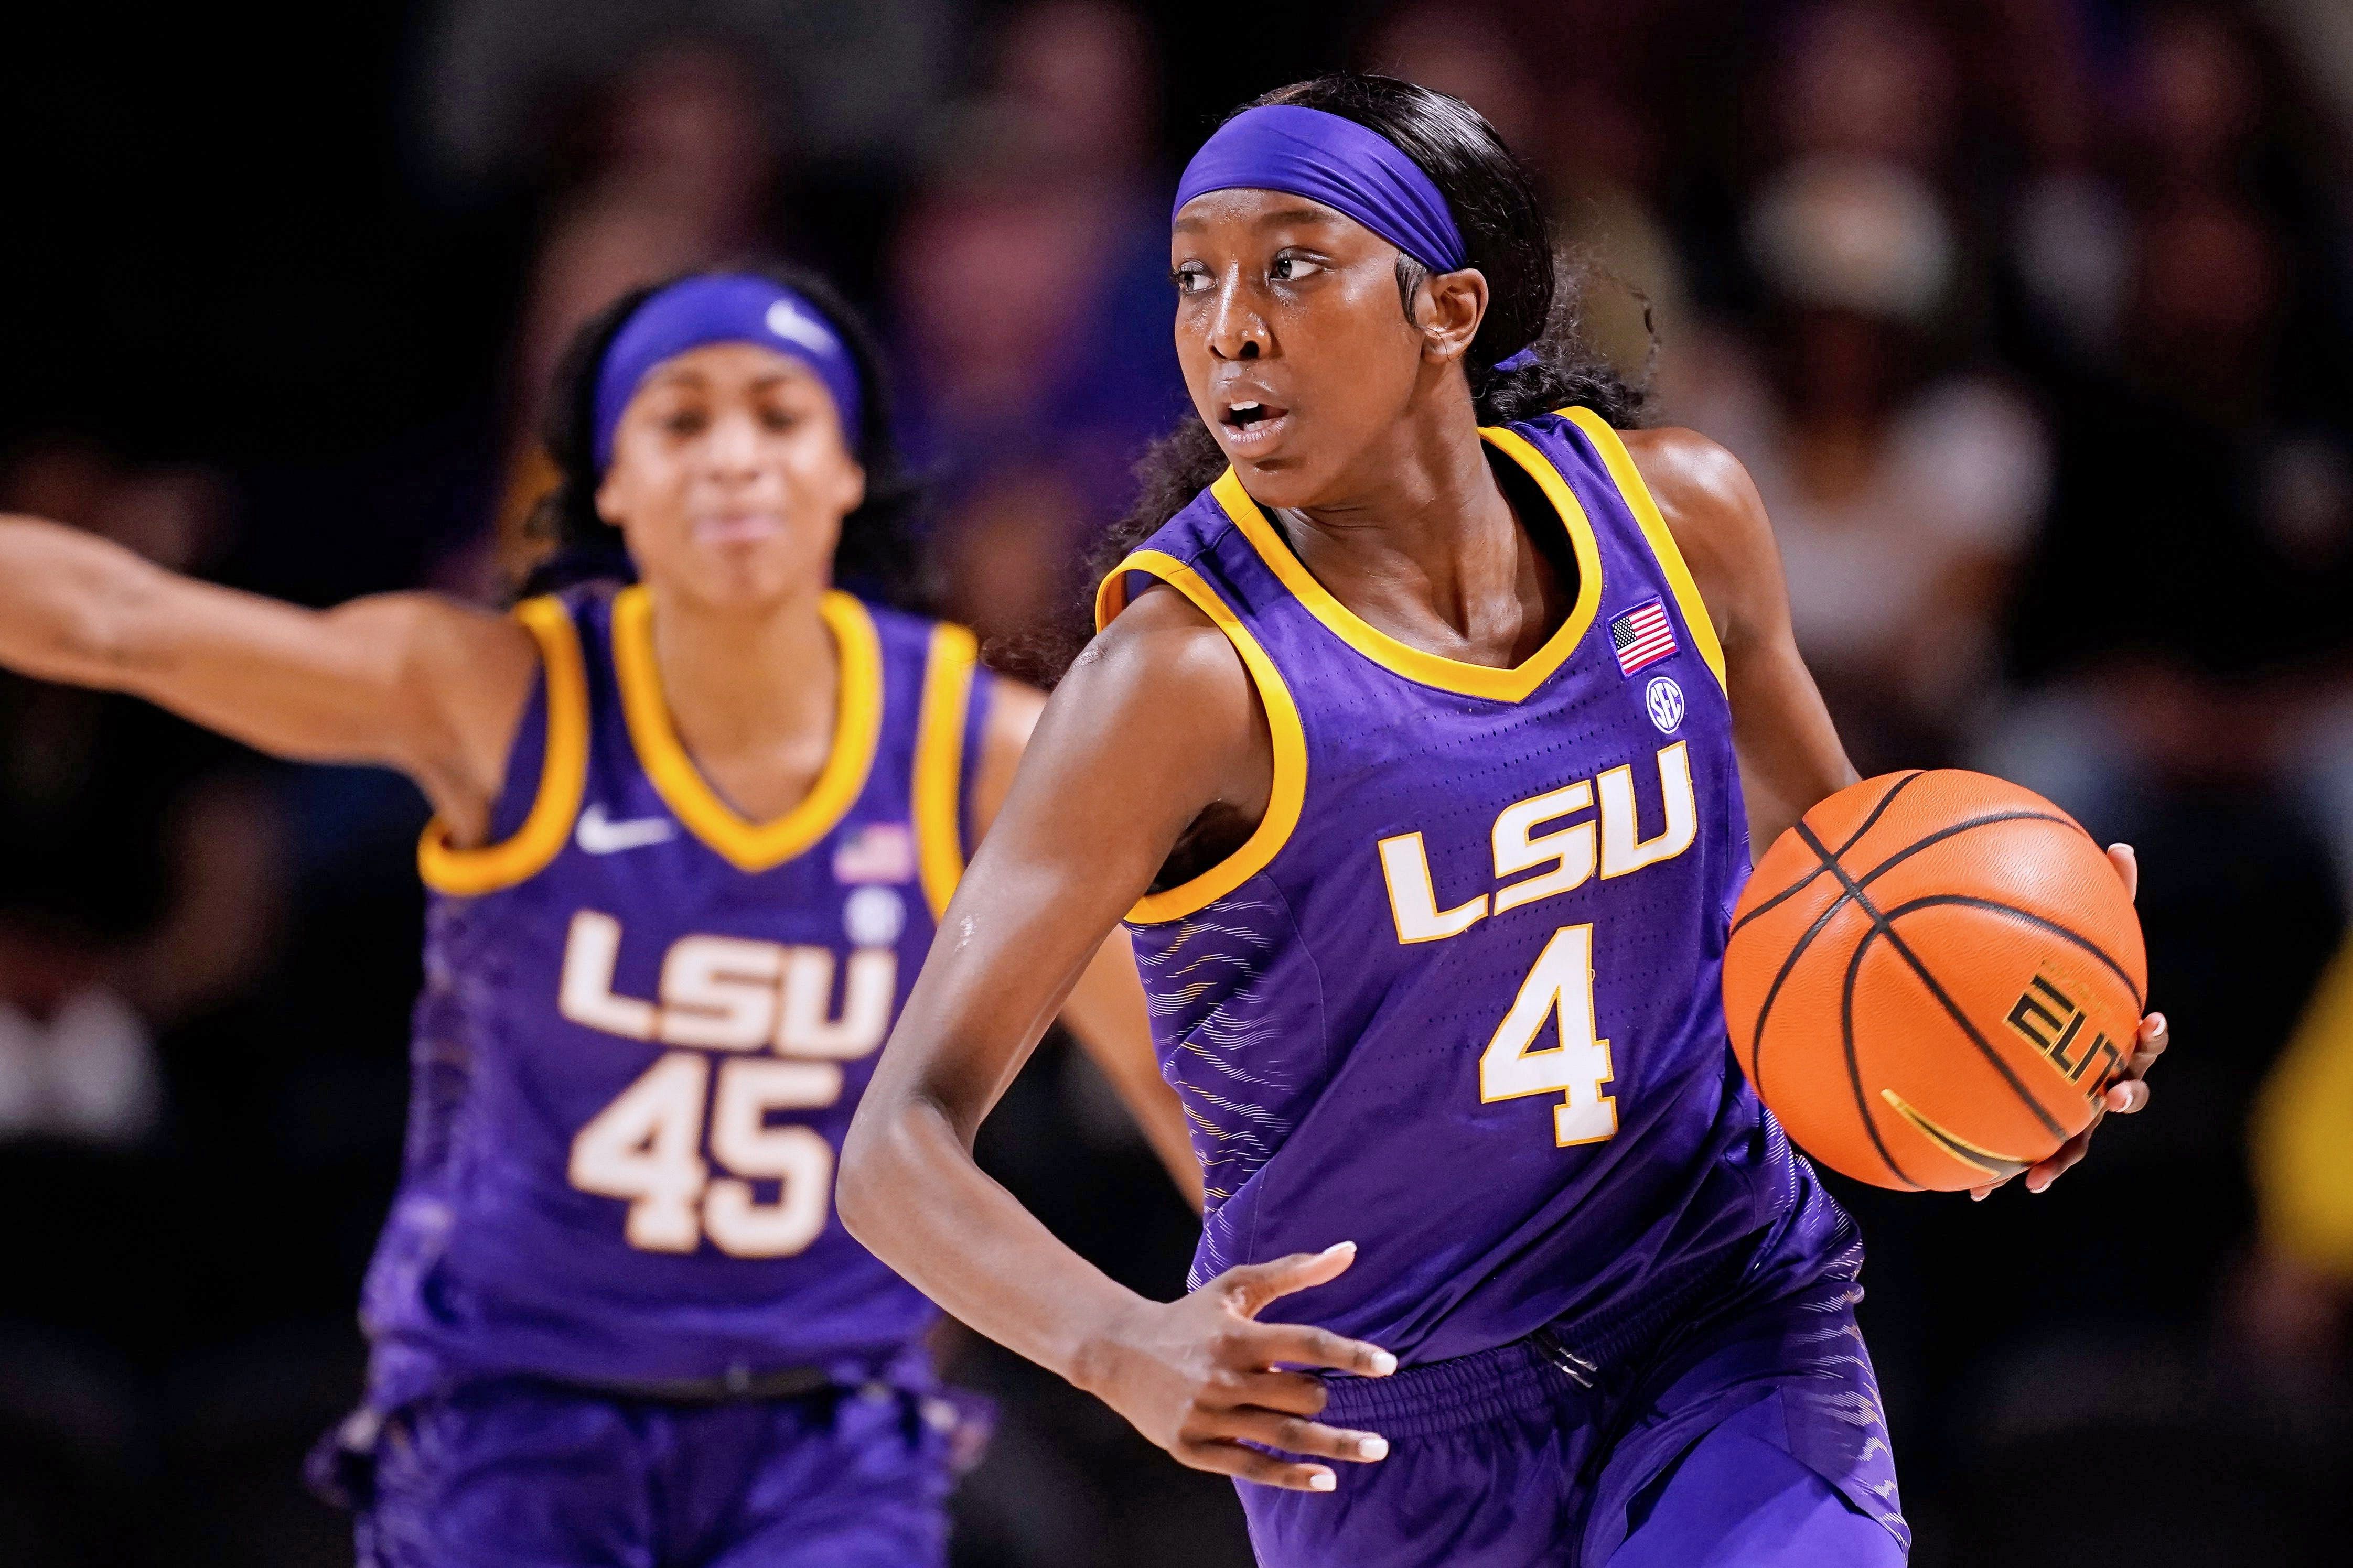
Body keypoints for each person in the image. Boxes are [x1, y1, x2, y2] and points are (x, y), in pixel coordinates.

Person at [837, 77, 2165, 1567]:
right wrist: (1115, 1341)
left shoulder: (1682, 522)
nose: (1230, 326)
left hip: (1720, 1312)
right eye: (1194, 279)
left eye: (1291, 263)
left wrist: (2031, 1003)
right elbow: (897, 1143)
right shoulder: (1178, 681)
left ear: (1447, 307)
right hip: (1379, 1420)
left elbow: (1860, 892)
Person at [0, 266, 1194, 1568]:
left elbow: (1170, 1065)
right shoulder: (497, 694)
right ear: (609, 483)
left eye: (780, 418)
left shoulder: (979, 749)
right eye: (680, 421)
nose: (734, 457)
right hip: (513, 1402)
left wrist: (1366, 1329)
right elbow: (121, 621)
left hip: (827, 1419)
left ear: (848, 468)